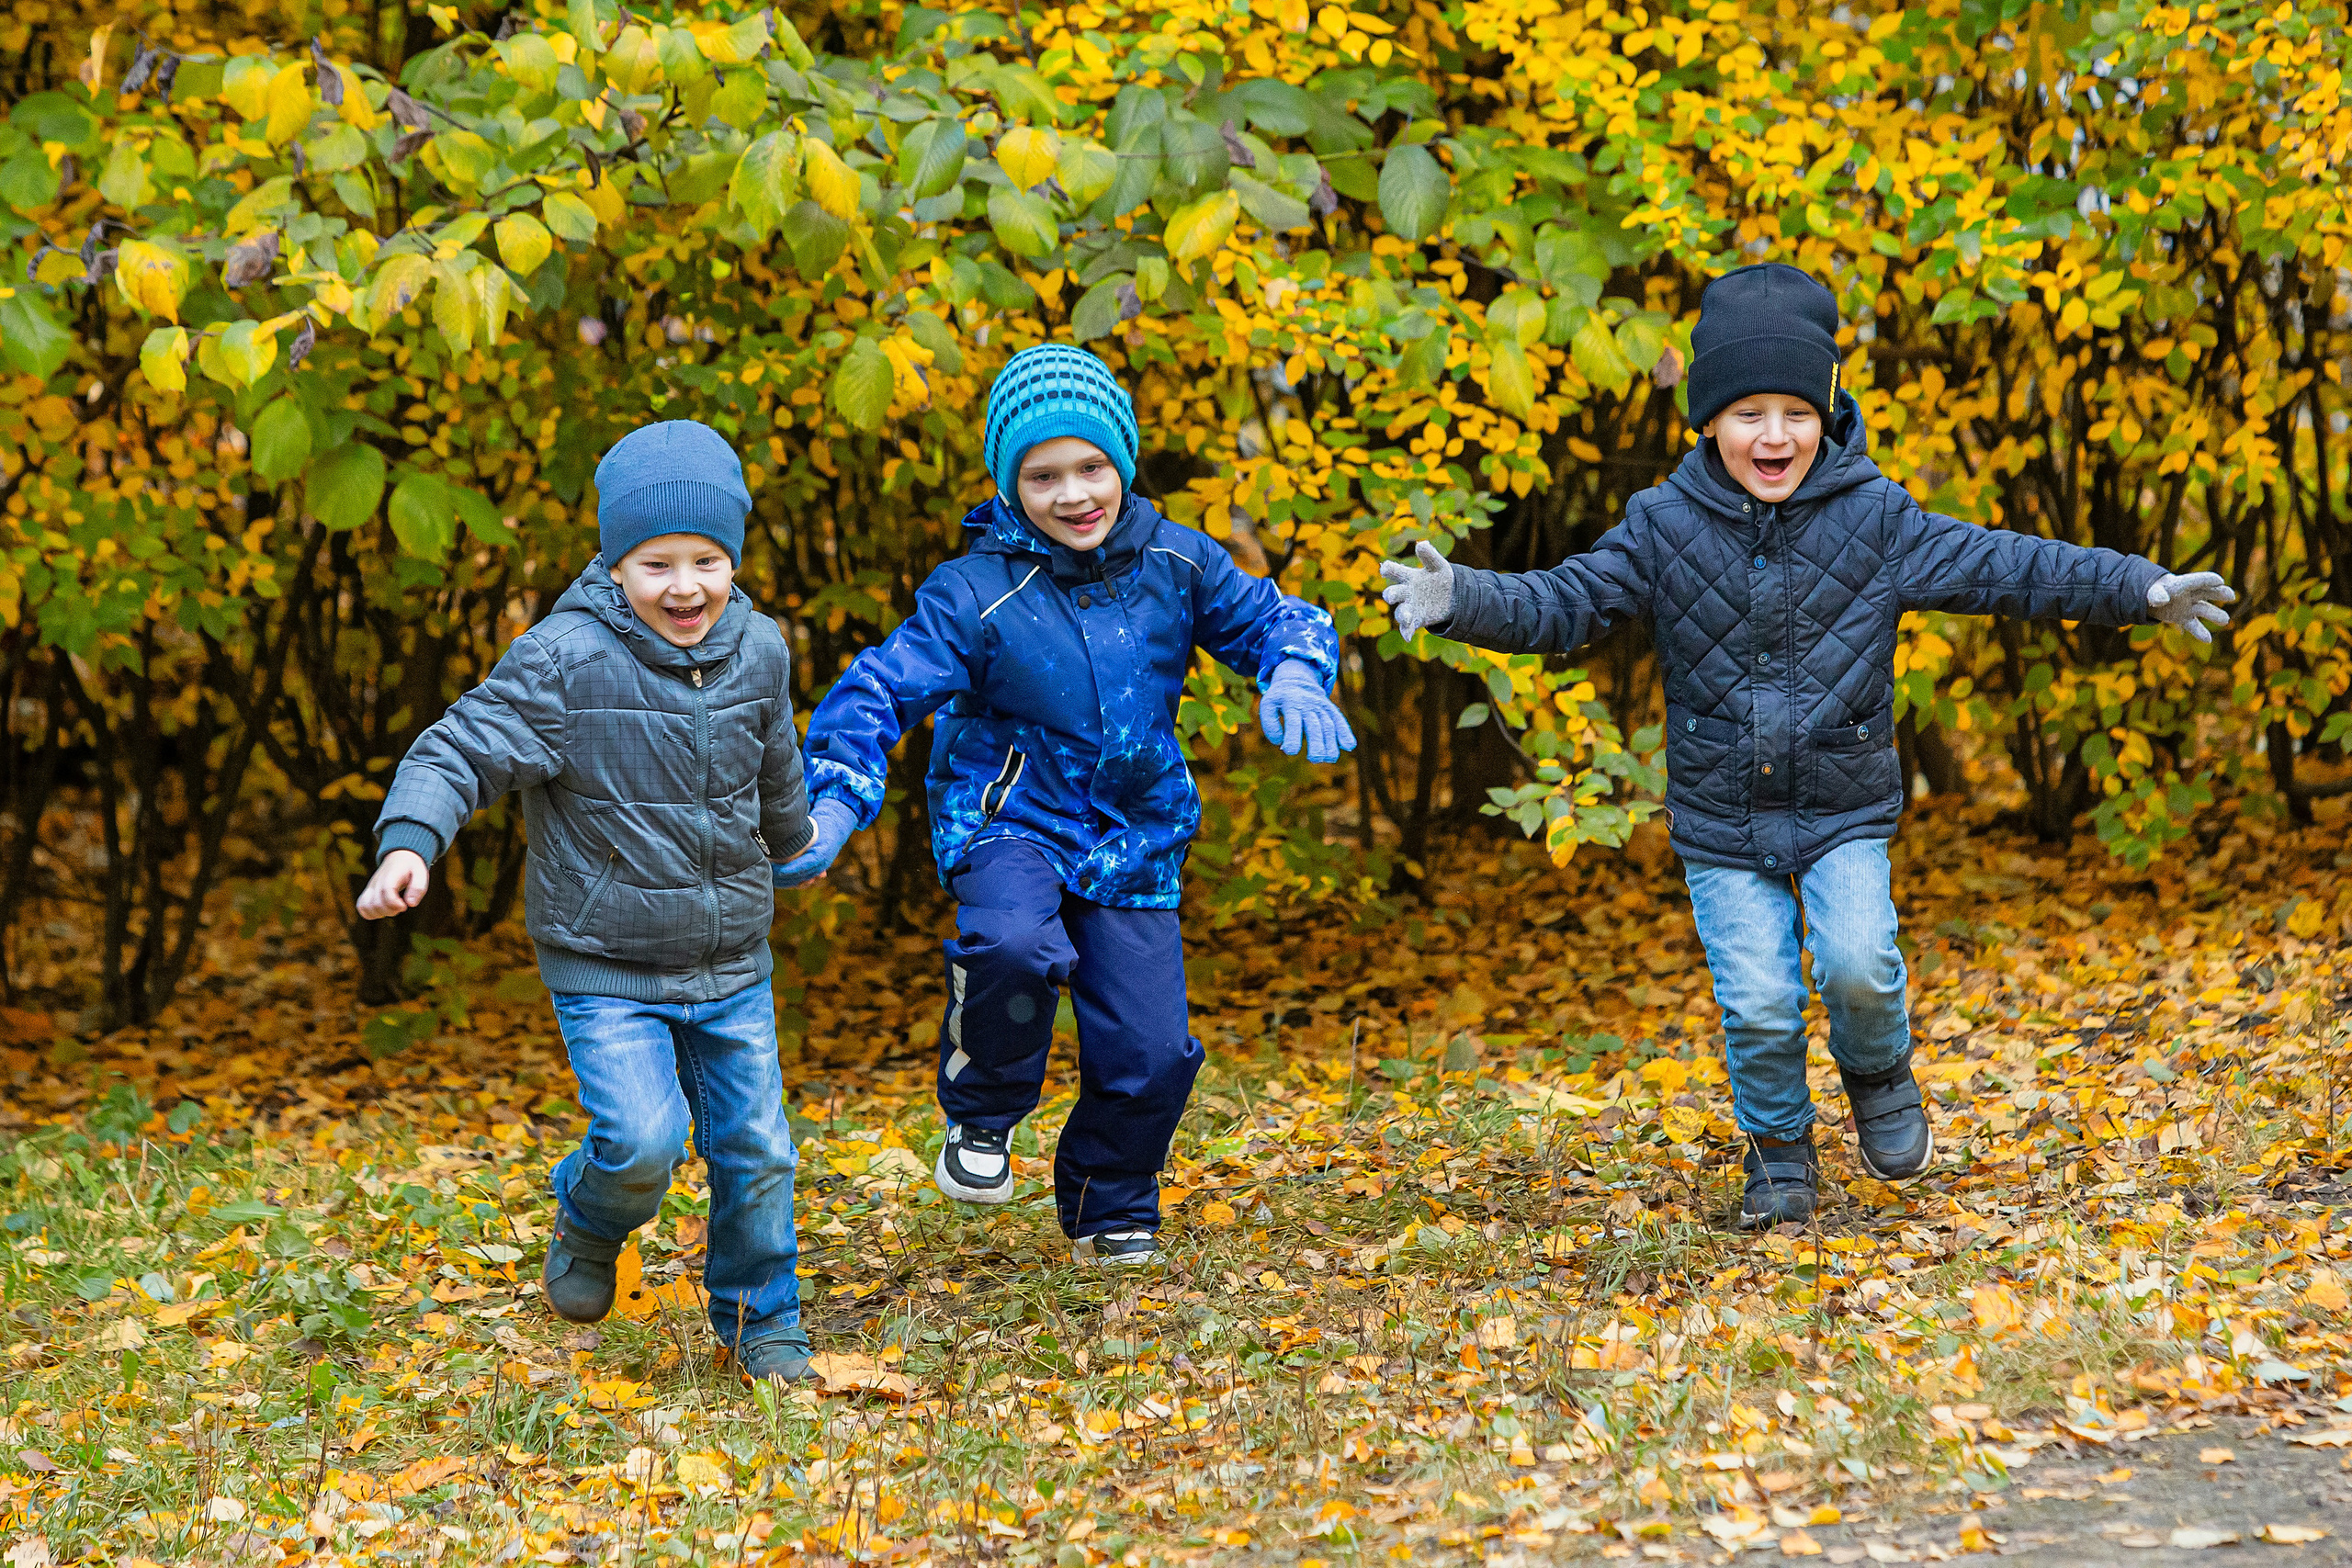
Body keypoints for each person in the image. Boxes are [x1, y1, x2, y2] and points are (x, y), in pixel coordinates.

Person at [1378, 264, 2235, 1227]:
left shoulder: (1875, 519)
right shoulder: (1662, 525)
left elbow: (2008, 566)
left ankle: (1876, 1072)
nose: (1773, 435)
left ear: (1825, 413)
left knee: (1860, 965)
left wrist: (2139, 589)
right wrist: (1464, 600)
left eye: (1795, 410)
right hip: (1720, 812)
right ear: (1707, 420)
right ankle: (1778, 1153)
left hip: (1840, 801)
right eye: (1748, 413)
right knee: (1756, 1005)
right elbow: (1567, 600)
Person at [778, 344, 1356, 1265]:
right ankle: (982, 1113)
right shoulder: (975, 592)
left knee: (1156, 1052)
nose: (1073, 492)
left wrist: (1295, 671)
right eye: (1043, 474)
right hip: (1012, 820)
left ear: (1122, 465)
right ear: (1011, 487)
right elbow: (876, 690)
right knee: (1011, 944)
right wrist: (837, 803)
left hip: (1134, 832)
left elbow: (1270, 615)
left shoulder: (1177, 559)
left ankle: (1109, 1205)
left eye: (1092, 466)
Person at [356, 419, 822, 1382]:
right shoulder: (565, 662)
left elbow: (774, 766)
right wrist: (411, 844)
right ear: (615, 564)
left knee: (759, 1150)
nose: (685, 586)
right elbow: (460, 749)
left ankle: (762, 1319)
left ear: (733, 559)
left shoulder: (762, 650)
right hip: (607, 961)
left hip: (731, 958)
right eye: (657, 564)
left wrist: (794, 842)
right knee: (641, 1140)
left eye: (708, 560)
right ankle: (590, 1215)